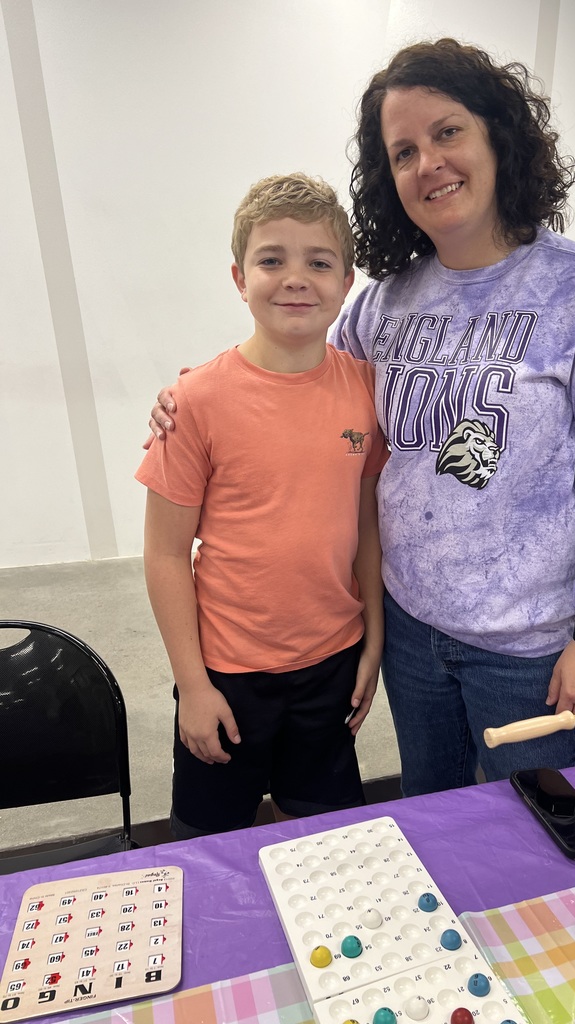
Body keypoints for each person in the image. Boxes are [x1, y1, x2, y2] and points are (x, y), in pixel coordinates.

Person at [146, 39, 575, 797]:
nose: (427, 162)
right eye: (402, 151)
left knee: (543, 835)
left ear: (499, 136)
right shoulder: (384, 302)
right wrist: (186, 394)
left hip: (529, 651)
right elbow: (298, 375)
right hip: (411, 634)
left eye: (447, 132)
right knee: (436, 816)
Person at [136, 173, 388, 838]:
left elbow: (365, 522)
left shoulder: (364, 389)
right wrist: (193, 685)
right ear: (238, 277)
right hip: (228, 673)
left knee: (324, 837)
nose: (295, 278)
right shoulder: (197, 402)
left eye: (319, 262)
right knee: (212, 843)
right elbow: (165, 554)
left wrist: (374, 641)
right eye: (272, 259)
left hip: (332, 661)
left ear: (346, 281)